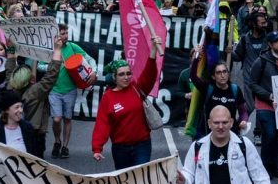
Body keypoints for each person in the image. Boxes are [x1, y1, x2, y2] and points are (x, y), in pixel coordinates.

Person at [92, 34, 164, 170]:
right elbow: (102, 124)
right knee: (125, 183)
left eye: (128, 73)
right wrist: (97, 148)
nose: (126, 77)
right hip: (120, 148)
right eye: (121, 74)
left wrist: (153, 51)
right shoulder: (108, 97)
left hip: (142, 145)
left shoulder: (137, 88)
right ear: (114, 77)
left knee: (139, 177)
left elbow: (149, 74)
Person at [248, 31, 278, 179]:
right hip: (265, 105)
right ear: (270, 45)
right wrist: (269, 96)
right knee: (269, 134)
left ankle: (274, 166)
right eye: (277, 41)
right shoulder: (261, 61)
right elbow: (252, 83)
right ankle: (264, 167)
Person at [8, 37, 64, 159]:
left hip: (14, 135)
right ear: (30, 80)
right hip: (34, 136)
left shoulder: (10, 89)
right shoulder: (36, 92)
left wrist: (11, 48)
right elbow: (51, 75)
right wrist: (57, 50)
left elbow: (9, 70)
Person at [50, 23, 94, 159]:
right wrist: (52, 66)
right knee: (57, 119)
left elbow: (89, 58)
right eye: (62, 34)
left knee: (67, 119)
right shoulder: (50, 50)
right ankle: (57, 141)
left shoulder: (72, 47)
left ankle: (65, 147)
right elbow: (39, 64)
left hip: (70, 90)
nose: (65, 36)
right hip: (54, 90)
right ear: (56, 36)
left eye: (66, 33)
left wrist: (93, 72)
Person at [188, 47, 248, 138]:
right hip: (208, 134)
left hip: (230, 135)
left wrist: (243, 120)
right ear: (213, 76)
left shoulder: (235, 90)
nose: (222, 75)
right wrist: (196, 59)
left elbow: (243, 111)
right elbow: (193, 77)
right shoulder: (207, 88)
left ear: (228, 74)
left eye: (225, 72)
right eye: (219, 73)